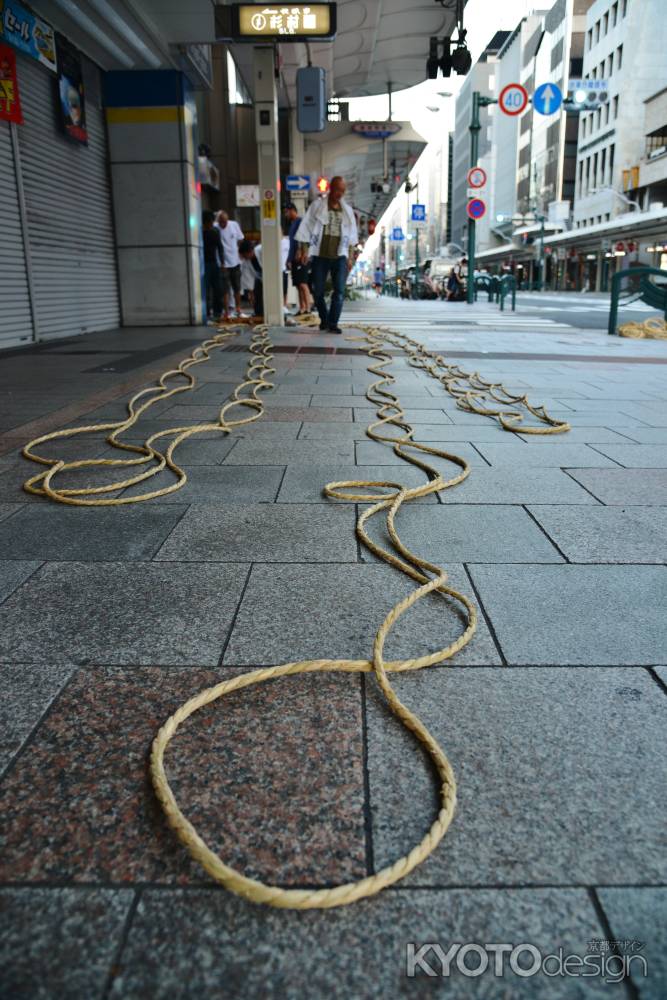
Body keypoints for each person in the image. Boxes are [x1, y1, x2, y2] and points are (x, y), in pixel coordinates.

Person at [294, 175, 358, 334]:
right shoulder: (317, 206)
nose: (339, 193)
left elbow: (351, 237)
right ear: (331, 188)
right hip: (320, 255)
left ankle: (333, 322)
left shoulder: (347, 211)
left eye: (342, 191)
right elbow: (306, 227)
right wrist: (303, 249)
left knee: (340, 291)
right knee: (318, 290)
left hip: (340, 256)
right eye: (337, 189)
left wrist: (350, 257)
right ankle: (324, 318)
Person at [215, 210, 244, 318]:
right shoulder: (215, 227)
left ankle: (238, 310)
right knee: (225, 289)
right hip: (222, 263)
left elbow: (241, 239)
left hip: (235, 261)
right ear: (218, 221)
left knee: (237, 287)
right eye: (221, 222)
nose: (223, 224)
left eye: (225, 222)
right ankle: (226, 312)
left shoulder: (234, 225)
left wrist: (239, 253)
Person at [285, 202, 312, 315]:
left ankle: (308, 308)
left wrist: (301, 251)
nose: (285, 214)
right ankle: (302, 308)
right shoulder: (292, 224)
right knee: (297, 284)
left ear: (292, 210)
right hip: (294, 259)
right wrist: (289, 259)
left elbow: (304, 237)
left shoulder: (300, 221)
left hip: (301, 257)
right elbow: (291, 245)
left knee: (303, 283)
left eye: (286, 212)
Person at [201, 209, 224, 322]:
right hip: (203, 263)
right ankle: (207, 311)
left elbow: (220, 247)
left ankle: (217, 311)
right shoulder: (199, 232)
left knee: (217, 288)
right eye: (209, 222)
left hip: (214, 263)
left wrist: (223, 262)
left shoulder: (215, 231)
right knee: (206, 289)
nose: (211, 224)